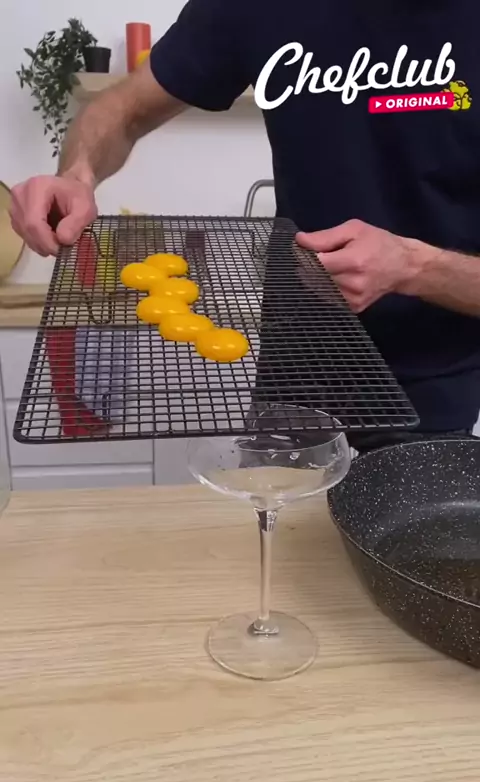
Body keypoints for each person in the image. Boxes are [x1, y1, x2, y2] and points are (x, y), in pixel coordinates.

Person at [10, 0, 480, 452]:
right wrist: (76, 175)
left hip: (433, 387)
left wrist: (413, 266)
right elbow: (124, 107)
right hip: (294, 369)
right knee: (272, 508)